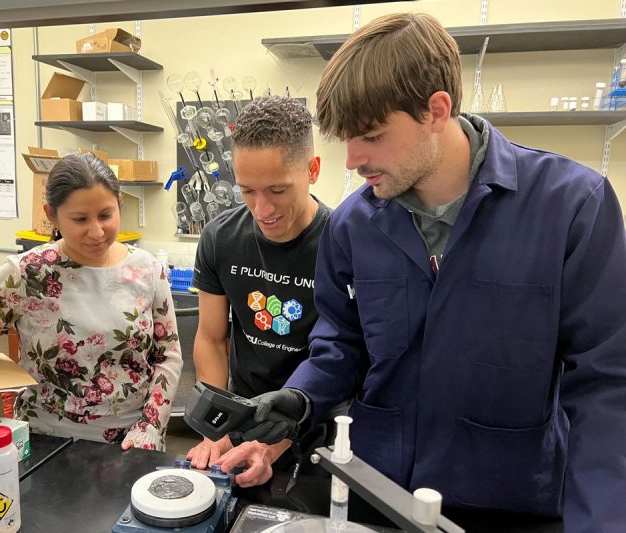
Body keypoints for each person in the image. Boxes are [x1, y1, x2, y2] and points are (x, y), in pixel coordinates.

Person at [240, 13, 626, 531]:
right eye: (347, 140)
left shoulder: (572, 207)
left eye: (372, 136)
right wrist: (303, 396)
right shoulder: (353, 225)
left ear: (436, 110)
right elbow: (341, 345)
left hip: (510, 501)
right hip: (377, 490)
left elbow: (605, 388)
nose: (354, 160)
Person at [0, 153, 182, 451]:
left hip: (133, 442)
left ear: (119, 203)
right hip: (48, 442)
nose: (96, 231)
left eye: (106, 215)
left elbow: (166, 354)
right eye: (80, 219)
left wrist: (152, 425)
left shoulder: (147, 269)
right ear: (51, 215)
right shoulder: (29, 272)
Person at [185, 95, 335, 487]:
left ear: (313, 169)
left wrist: (274, 443)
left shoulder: (342, 244)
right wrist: (214, 428)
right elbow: (212, 338)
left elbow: (341, 359)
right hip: (241, 419)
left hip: (317, 429)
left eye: (277, 190)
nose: (262, 208)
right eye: (247, 191)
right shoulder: (221, 238)